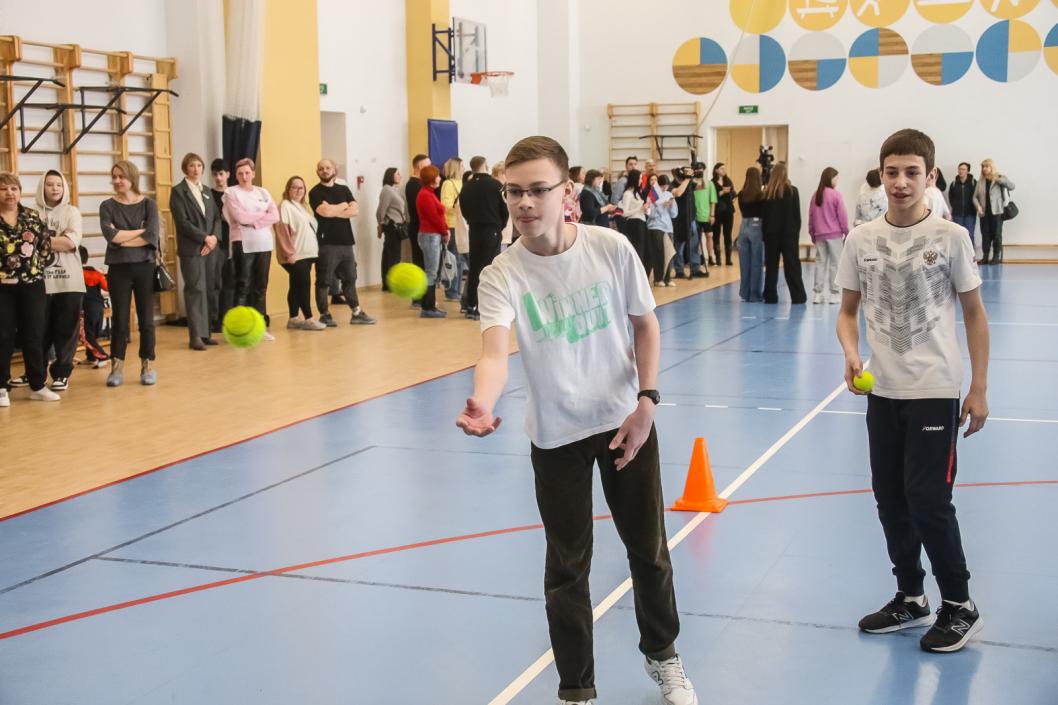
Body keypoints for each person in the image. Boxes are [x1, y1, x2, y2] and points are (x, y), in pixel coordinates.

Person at [456, 136, 697, 705]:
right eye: (513, 191)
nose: (524, 202)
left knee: (649, 551)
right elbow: (494, 352)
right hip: (556, 436)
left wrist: (647, 402)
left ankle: (663, 655)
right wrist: (482, 401)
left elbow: (646, 325)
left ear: (567, 192)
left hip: (624, 423)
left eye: (538, 190)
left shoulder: (610, 248)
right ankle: (577, 690)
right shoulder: (501, 273)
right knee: (566, 569)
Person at [837, 128, 989, 654]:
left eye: (911, 172)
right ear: (880, 175)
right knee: (890, 497)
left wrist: (978, 388)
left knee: (929, 498)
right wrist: (851, 352)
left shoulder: (951, 237)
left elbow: (974, 315)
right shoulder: (861, 239)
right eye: (891, 172)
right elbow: (847, 312)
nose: (900, 182)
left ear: (930, 176)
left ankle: (960, 604)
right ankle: (911, 596)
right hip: (883, 391)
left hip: (935, 388)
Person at [0, 172, 59, 406]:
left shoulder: (32, 217)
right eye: (3, 189)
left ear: (20, 192)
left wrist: (32, 269)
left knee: (34, 335)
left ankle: (37, 385)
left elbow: (45, 247)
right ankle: (1, 387)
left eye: (14, 188)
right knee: (3, 336)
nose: (9, 193)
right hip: (2, 288)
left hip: (32, 285)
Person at [100, 160, 161, 386]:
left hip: (145, 266)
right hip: (118, 269)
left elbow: (151, 236)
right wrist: (139, 233)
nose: (117, 181)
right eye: (114, 177)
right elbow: (111, 236)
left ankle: (147, 365)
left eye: (121, 177)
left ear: (132, 178)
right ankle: (116, 367)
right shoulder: (107, 206)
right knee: (120, 320)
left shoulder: (149, 205)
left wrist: (123, 239)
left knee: (146, 320)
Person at [309, 159, 376, 325]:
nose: (325, 171)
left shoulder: (343, 189)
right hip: (326, 243)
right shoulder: (315, 192)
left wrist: (334, 209)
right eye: (321, 168)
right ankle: (325, 315)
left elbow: (355, 210)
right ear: (317, 172)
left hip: (346, 242)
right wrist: (344, 205)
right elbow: (324, 212)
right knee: (324, 281)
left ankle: (357, 313)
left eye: (328, 168)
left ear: (334, 170)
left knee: (350, 278)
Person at [37, 170, 85, 390]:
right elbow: (24, 242)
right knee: (38, 332)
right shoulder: (31, 212)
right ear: (42, 186)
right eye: (50, 184)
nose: (55, 188)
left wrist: (41, 239)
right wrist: (60, 237)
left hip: (70, 282)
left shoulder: (72, 212)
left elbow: (70, 243)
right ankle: (35, 374)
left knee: (67, 332)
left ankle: (61, 374)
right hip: (39, 283)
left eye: (59, 184)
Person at [223, 158, 279, 340]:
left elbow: (275, 215)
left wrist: (254, 222)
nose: (244, 176)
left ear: (253, 174)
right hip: (242, 242)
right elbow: (240, 217)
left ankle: (260, 328)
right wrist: (262, 215)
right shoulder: (231, 192)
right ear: (236, 175)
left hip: (264, 243)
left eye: (247, 173)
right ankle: (240, 328)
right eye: (240, 173)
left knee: (261, 286)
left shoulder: (263, 192)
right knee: (243, 285)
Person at [171, 152, 222, 350]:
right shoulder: (178, 192)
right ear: (186, 168)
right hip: (192, 249)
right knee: (195, 290)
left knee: (208, 289)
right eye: (192, 165)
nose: (196, 169)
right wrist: (204, 238)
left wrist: (214, 238)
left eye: (199, 165)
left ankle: (206, 333)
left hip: (210, 248)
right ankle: (195, 336)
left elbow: (216, 217)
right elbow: (182, 222)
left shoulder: (207, 190)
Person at [459, 156, 509, 321]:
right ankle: (483, 306)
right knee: (489, 268)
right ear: (485, 166)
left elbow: (464, 209)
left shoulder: (467, 186)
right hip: (491, 229)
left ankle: (471, 305)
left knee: (474, 267)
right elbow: (504, 210)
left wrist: (472, 221)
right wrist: (499, 226)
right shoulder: (495, 185)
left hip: (474, 230)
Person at [276, 176, 326, 331]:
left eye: (301, 188)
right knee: (304, 284)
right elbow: (281, 231)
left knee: (296, 285)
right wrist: (288, 253)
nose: (298, 190)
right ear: (288, 189)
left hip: (307, 253)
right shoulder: (285, 205)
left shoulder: (302, 207)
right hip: (296, 254)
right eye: (294, 187)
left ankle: (293, 318)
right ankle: (309, 319)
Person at [761, 163, 806, 304]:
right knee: (792, 265)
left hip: (771, 234)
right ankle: (798, 296)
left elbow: (764, 217)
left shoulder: (767, 193)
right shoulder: (793, 191)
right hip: (789, 234)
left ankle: (770, 296)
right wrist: (795, 233)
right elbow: (797, 216)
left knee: (771, 266)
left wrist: (765, 235)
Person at [807, 167, 848, 304]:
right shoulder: (836, 195)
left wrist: (812, 233)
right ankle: (834, 294)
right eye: (836, 178)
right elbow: (842, 216)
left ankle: (817, 294)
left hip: (819, 235)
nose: (837, 181)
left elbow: (811, 217)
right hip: (834, 235)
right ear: (830, 179)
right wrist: (846, 231)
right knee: (835, 265)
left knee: (820, 263)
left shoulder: (815, 195)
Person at [415, 165, 449, 318]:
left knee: (431, 272)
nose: (440, 178)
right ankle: (428, 307)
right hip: (430, 236)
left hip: (431, 235)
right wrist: (444, 231)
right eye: (437, 176)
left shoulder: (429, 193)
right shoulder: (426, 195)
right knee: (431, 273)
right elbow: (434, 218)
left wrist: (444, 229)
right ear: (431, 179)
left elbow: (438, 217)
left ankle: (429, 305)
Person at [973, 159, 1014, 265]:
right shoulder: (980, 181)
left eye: (987, 166)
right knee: (985, 235)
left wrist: (1001, 181)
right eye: (983, 167)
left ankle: (996, 257)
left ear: (991, 167)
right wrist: (978, 207)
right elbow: (974, 197)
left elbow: (1012, 186)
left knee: (997, 235)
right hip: (984, 213)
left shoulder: (1000, 177)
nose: (984, 169)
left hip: (997, 212)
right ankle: (985, 257)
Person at [209, 159, 234, 332]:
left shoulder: (233, 194)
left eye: (221, 174)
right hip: (216, 244)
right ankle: (214, 318)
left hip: (233, 242)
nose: (218, 178)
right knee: (215, 282)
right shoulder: (209, 194)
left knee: (230, 282)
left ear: (228, 175)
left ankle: (227, 318)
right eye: (215, 174)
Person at [376, 167, 408, 292]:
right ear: (390, 176)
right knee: (393, 256)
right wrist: (381, 224)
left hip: (395, 226)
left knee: (389, 255)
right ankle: (392, 284)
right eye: (397, 174)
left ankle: (388, 283)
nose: (400, 176)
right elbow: (381, 211)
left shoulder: (392, 190)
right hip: (392, 226)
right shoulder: (387, 190)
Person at [736, 166, 765, 302]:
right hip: (756, 225)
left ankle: (744, 292)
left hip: (743, 225)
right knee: (756, 262)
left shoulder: (741, 194)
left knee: (744, 262)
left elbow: (742, 210)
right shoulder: (761, 194)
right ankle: (755, 294)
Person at [439, 157, 466, 303]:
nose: (464, 168)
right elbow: (445, 205)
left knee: (460, 260)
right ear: (456, 167)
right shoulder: (448, 184)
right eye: (462, 166)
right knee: (455, 259)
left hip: (462, 225)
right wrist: (460, 206)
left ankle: (456, 290)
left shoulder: (463, 182)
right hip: (452, 225)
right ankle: (452, 291)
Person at [646, 174, 679, 286]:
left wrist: (671, 205)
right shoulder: (652, 195)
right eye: (663, 186)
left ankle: (668, 278)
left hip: (668, 227)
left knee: (669, 253)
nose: (665, 188)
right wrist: (662, 206)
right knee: (659, 253)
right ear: (658, 185)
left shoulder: (669, 194)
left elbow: (674, 214)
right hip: (655, 226)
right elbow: (650, 214)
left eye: (666, 186)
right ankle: (658, 279)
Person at [79, 246, 109, 367]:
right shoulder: (96, 272)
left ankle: (103, 356)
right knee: (92, 335)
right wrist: (103, 274)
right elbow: (107, 288)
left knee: (86, 336)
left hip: (86, 309)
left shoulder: (76, 274)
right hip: (99, 308)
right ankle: (91, 357)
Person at [618, 168, 649, 271]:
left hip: (642, 222)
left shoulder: (638, 193)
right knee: (637, 251)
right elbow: (624, 213)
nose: (641, 181)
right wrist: (639, 209)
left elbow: (641, 210)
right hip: (634, 224)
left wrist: (645, 209)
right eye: (640, 178)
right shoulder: (628, 194)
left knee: (643, 251)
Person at [693, 165, 717, 270]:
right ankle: (701, 256)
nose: (699, 170)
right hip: (695, 215)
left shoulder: (709, 183)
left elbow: (713, 201)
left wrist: (712, 215)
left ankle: (710, 256)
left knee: (709, 235)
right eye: (697, 169)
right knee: (696, 238)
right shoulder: (691, 184)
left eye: (701, 169)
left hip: (706, 215)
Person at [948, 162, 978, 247]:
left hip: (970, 214)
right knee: (958, 235)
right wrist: (955, 206)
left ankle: (971, 252)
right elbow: (951, 197)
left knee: (970, 235)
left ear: (968, 171)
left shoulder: (974, 183)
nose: (961, 171)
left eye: (963, 169)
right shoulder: (954, 183)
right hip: (957, 214)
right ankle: (959, 253)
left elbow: (977, 196)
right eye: (960, 169)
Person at [711, 163, 735, 265]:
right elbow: (711, 197)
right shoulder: (712, 182)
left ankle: (728, 258)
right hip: (717, 211)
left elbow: (733, 193)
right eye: (721, 168)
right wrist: (722, 192)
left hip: (728, 210)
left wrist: (731, 195)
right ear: (716, 170)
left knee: (728, 233)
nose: (724, 170)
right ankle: (718, 258)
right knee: (716, 234)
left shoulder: (728, 181)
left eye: (725, 168)